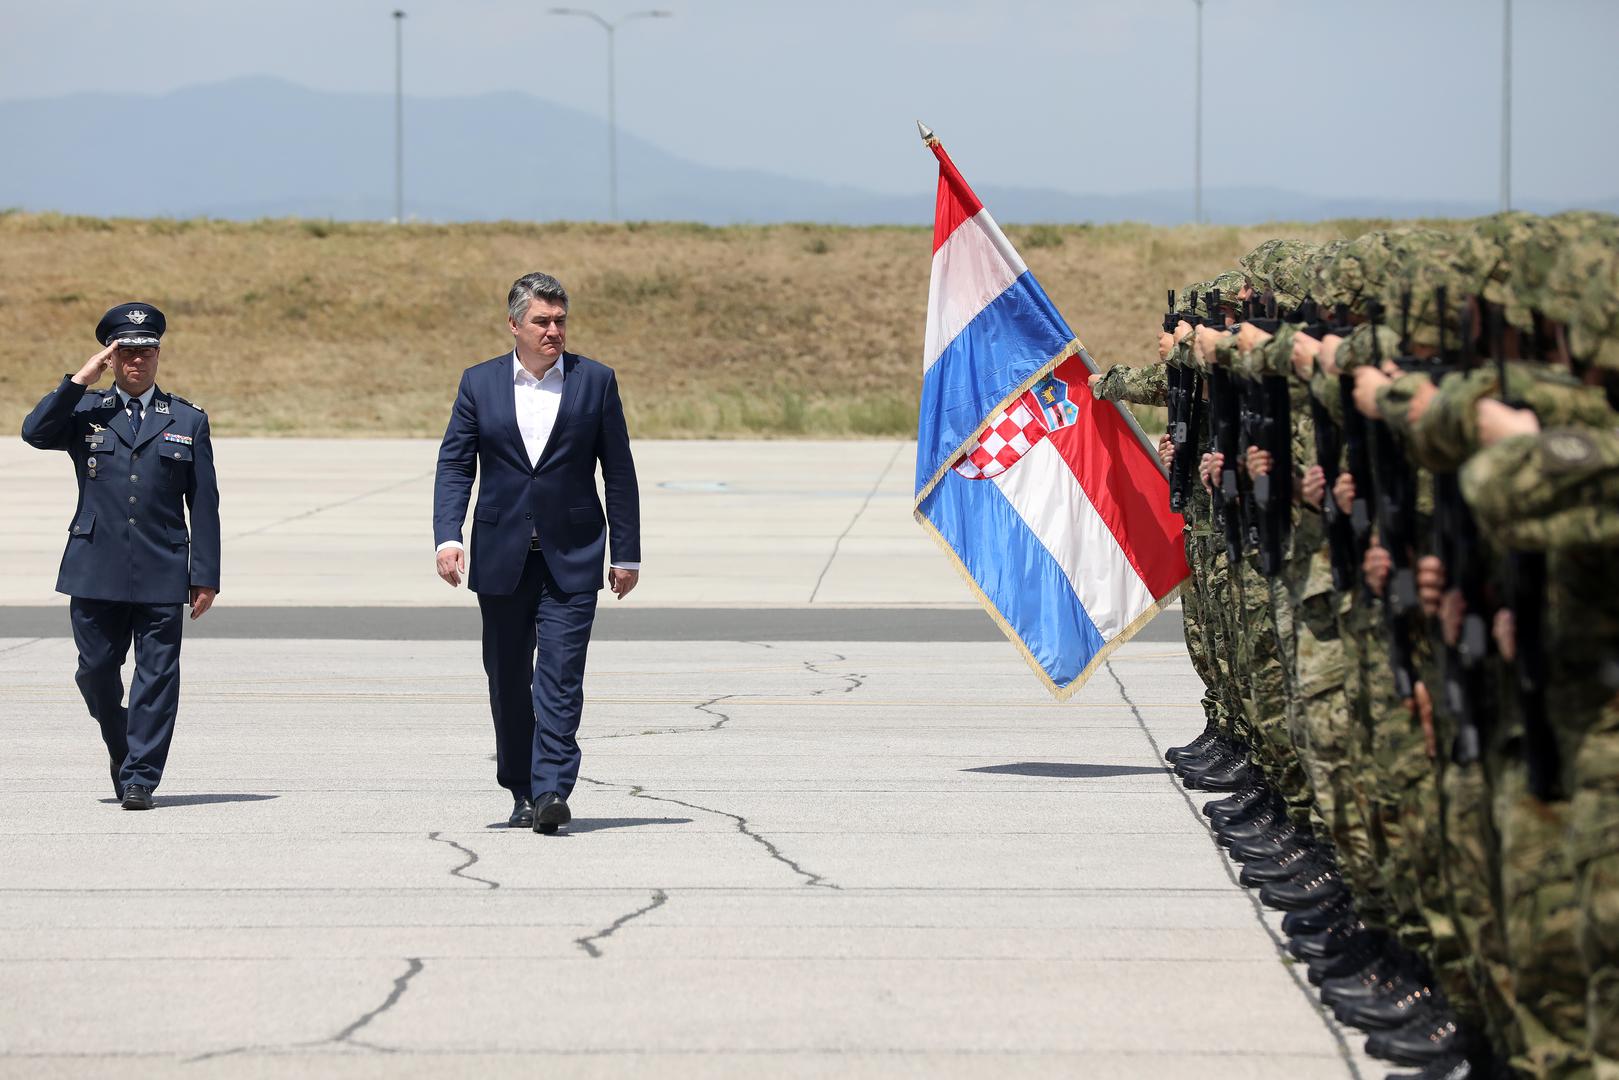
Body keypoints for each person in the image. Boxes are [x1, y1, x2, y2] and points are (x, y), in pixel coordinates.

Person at [433, 272, 641, 834]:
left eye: (560, 321)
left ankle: (552, 789)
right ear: (514, 325)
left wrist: (626, 553)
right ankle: (521, 788)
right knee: (506, 681)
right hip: (501, 557)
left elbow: (619, 472)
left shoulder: (596, 382)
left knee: (560, 678)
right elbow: (455, 464)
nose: (554, 331)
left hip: (572, 555)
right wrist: (448, 536)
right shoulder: (479, 383)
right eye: (542, 321)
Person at [20, 302, 221, 810]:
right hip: (95, 564)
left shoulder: (187, 419)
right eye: (127, 351)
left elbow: (204, 503)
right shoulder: (86, 410)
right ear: (112, 357)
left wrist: (205, 576)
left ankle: (140, 779)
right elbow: (35, 432)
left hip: (162, 566)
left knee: (158, 678)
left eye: (146, 351)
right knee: (95, 671)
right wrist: (79, 380)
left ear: (158, 355)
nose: (137, 360)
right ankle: (122, 742)